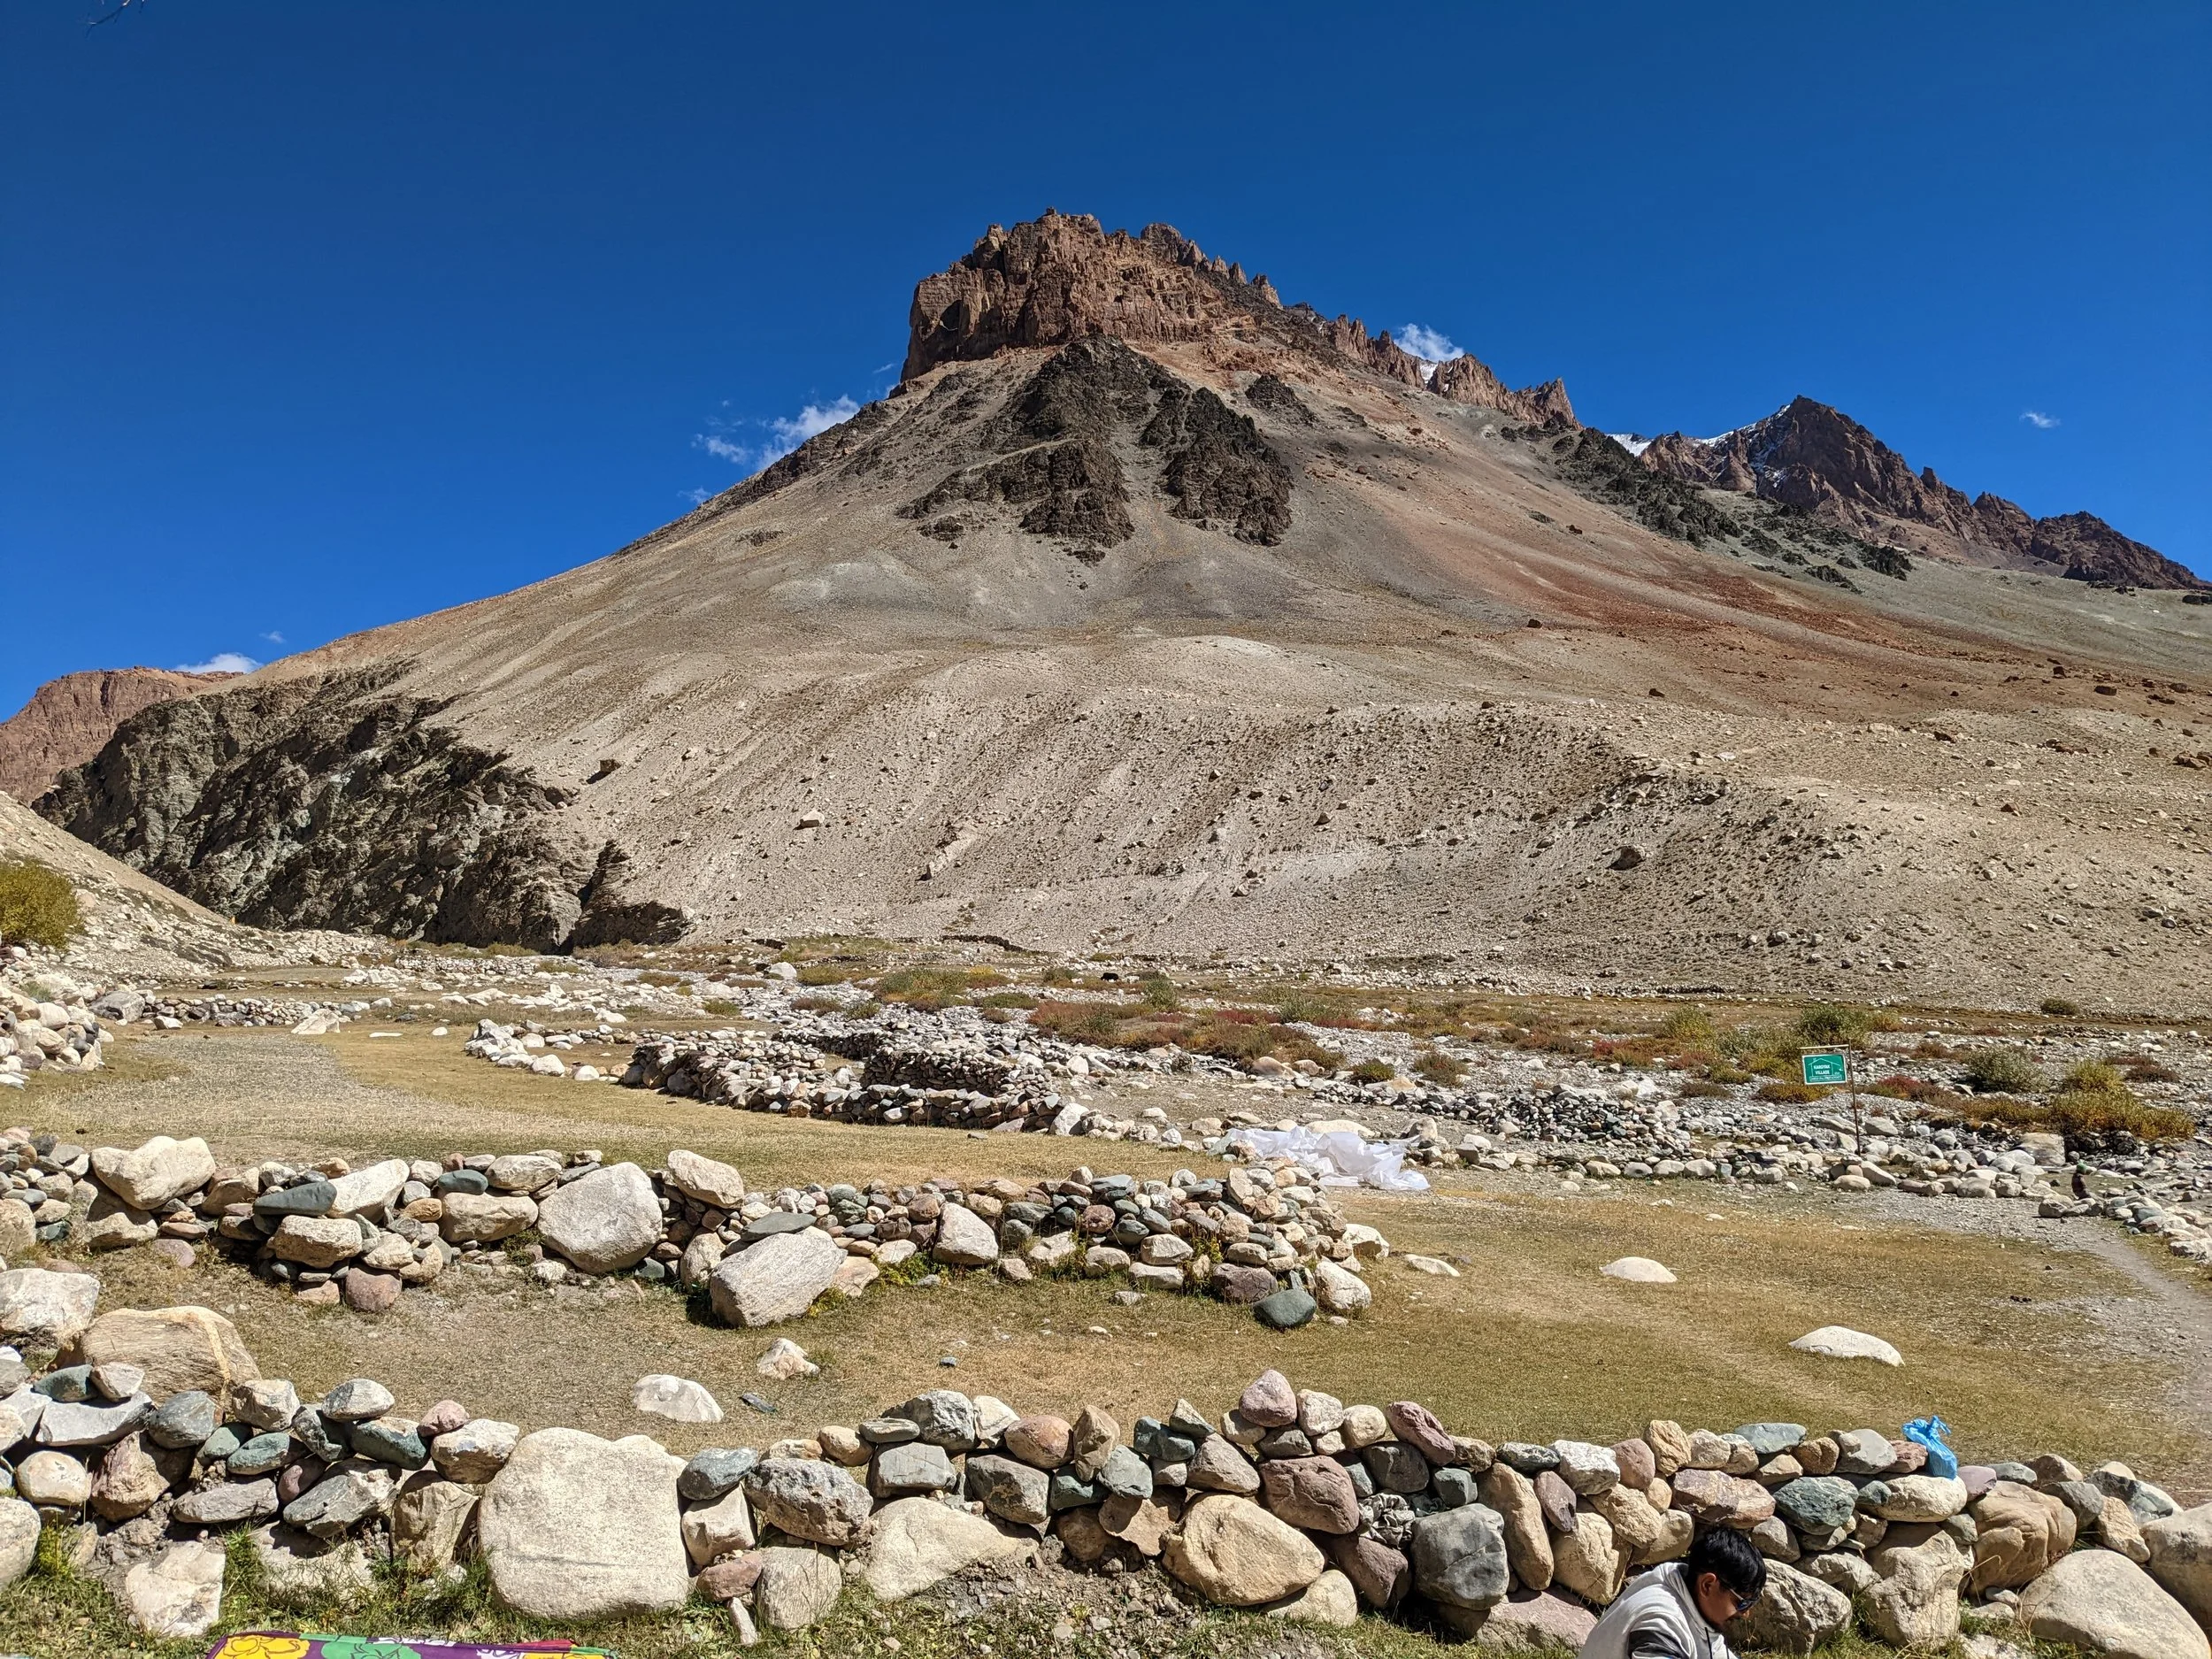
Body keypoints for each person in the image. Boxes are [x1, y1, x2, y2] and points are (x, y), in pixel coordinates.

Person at [1579, 1526, 1767, 1659]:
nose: (1746, 1613)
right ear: (1708, 1585)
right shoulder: (1662, 1623)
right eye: (1742, 1603)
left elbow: (1714, 1651)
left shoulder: (1694, 1605)